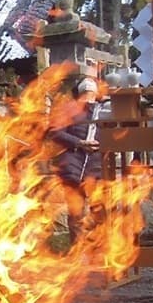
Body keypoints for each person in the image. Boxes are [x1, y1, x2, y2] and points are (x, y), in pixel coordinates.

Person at [48, 76, 104, 243]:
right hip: (73, 166)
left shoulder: (104, 110)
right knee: (76, 214)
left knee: (98, 213)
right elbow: (55, 132)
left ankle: (97, 250)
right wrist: (79, 143)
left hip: (97, 167)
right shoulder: (69, 109)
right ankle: (77, 255)